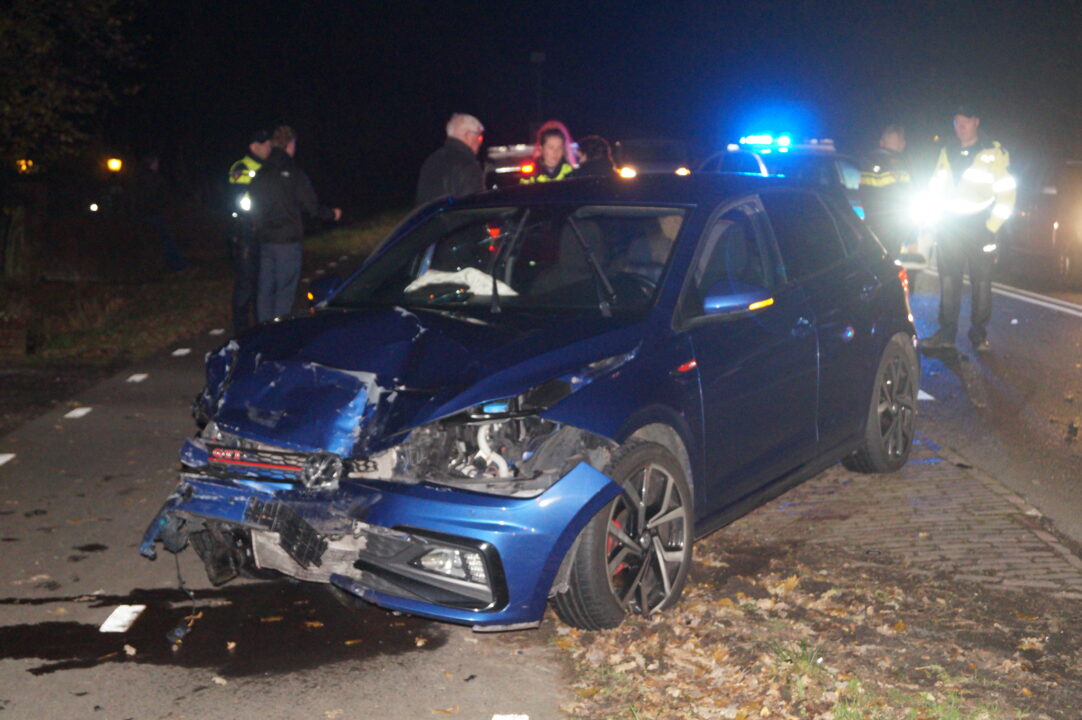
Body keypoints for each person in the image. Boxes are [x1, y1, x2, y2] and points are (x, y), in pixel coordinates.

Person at [921, 104, 1015, 353]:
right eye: (956, 122)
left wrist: (991, 225)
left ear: (976, 122)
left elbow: (1007, 194)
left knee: (981, 283)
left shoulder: (993, 152)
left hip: (979, 226)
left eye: (965, 122)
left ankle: (979, 336)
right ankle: (947, 334)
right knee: (949, 281)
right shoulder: (947, 150)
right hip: (950, 226)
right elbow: (935, 186)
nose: (960, 127)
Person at [249, 125, 341, 323]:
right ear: (290, 145)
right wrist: (331, 214)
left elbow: (253, 206)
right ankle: (278, 332)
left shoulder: (260, 173)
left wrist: (257, 228)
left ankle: (263, 331)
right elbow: (311, 206)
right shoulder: (293, 171)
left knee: (265, 290)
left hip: (266, 240)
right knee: (284, 290)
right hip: (287, 241)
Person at [227, 129, 272, 333]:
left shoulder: (270, 166)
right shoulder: (242, 167)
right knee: (246, 285)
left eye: (269, 143)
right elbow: (238, 200)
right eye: (264, 144)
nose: (268, 147)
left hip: (265, 232)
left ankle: (261, 328)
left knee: (263, 284)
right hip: (246, 232)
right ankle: (241, 330)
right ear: (254, 147)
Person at [859, 124, 912, 258]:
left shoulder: (868, 162)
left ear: (881, 143)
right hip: (893, 227)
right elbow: (907, 197)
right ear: (902, 144)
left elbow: (865, 193)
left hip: (872, 224)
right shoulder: (900, 165)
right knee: (890, 264)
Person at [415, 113, 485, 207]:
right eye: (479, 137)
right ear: (468, 135)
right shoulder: (467, 164)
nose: (480, 142)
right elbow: (472, 208)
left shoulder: (432, 160)